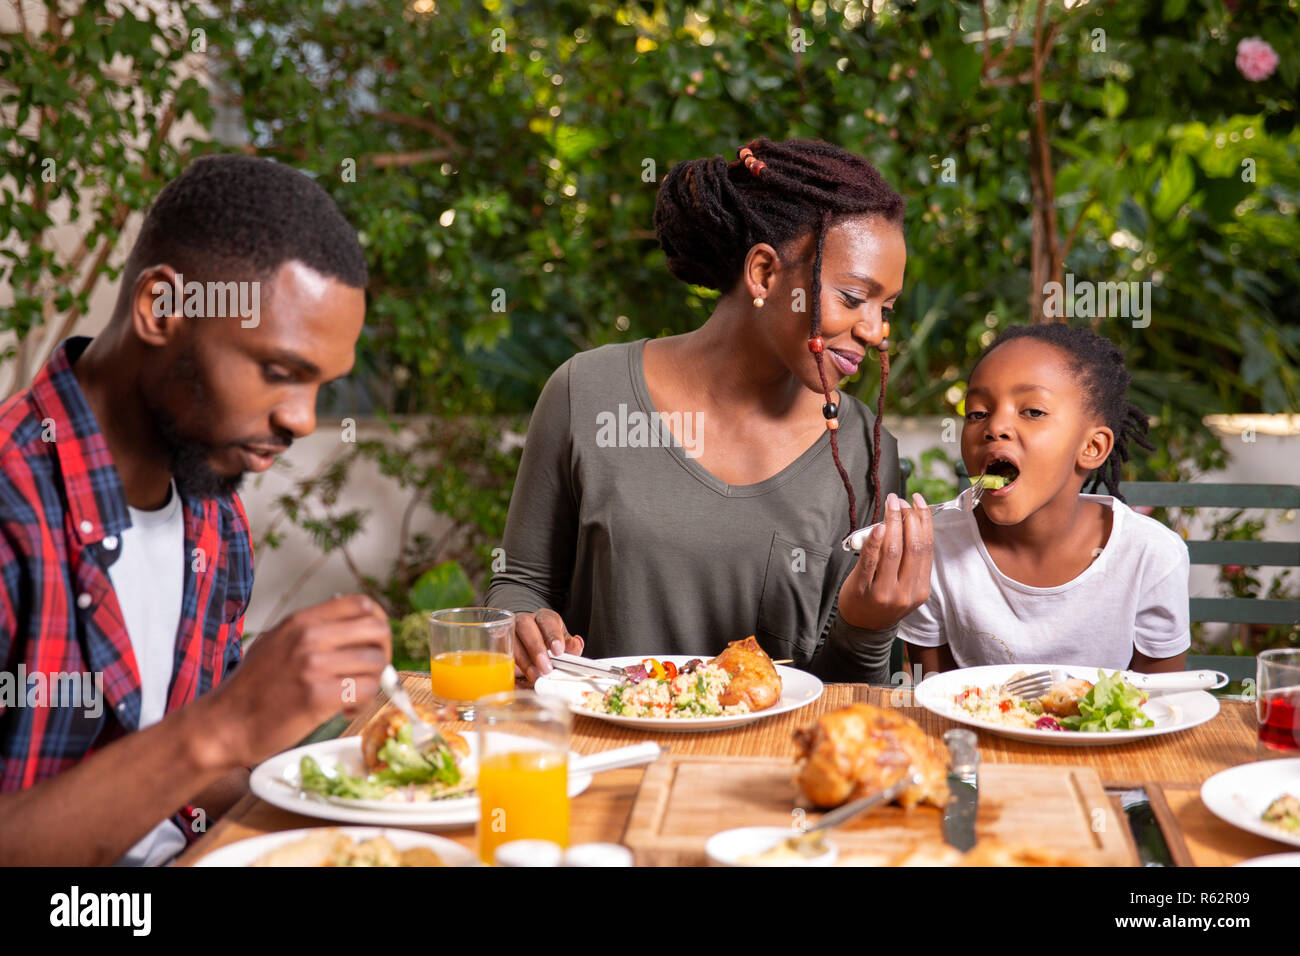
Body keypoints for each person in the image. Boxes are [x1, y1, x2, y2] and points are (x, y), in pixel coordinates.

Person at [0, 155, 392, 865]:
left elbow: (176, 775)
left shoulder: (211, 514)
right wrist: (223, 724)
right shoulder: (12, 505)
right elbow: (200, 737)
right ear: (161, 308)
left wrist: (335, 758)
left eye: (322, 386)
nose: (302, 420)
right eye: (279, 371)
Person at [487, 138, 934, 685]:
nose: (875, 330)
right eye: (852, 297)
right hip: (604, 758)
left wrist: (869, 629)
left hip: (772, 766)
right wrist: (519, 627)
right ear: (766, 274)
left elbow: (848, 698)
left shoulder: (865, 450)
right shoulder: (589, 393)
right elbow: (518, 585)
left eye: (886, 308)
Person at [900, 324, 1190, 673]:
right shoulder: (935, 547)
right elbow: (935, 698)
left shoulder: (1149, 555)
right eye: (978, 413)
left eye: (1033, 411)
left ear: (1092, 447)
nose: (995, 427)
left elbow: (1157, 707)